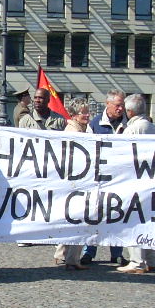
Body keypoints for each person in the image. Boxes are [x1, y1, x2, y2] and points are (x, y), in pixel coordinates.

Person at [83, 89, 129, 265]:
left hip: (120, 177)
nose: (120, 109)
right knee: (93, 216)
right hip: (98, 177)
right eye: (118, 105)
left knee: (117, 215)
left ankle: (116, 251)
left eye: (122, 105)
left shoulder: (128, 124)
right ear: (108, 104)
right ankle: (89, 251)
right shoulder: (95, 124)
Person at [118, 93, 155, 274]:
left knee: (133, 221)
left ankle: (136, 261)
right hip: (150, 180)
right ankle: (150, 259)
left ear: (130, 111)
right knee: (148, 220)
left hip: (134, 180)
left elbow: (123, 155)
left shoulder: (132, 129)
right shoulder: (153, 127)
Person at [55, 98, 93, 270]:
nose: (86, 115)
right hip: (77, 182)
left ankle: (61, 253)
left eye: (87, 111)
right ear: (74, 114)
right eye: (83, 112)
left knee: (69, 219)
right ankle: (72, 259)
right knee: (79, 220)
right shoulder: (74, 131)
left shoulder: (81, 129)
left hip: (73, 182)